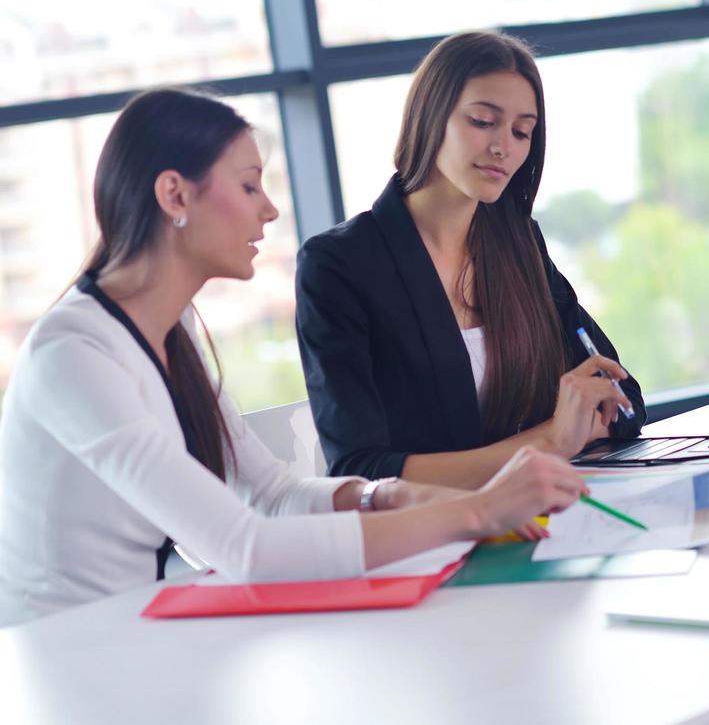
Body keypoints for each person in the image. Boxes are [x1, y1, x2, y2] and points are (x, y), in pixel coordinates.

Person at [0, 88, 589, 626]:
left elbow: (272, 496)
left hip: (134, 638)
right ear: (175, 194)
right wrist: (478, 511)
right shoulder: (73, 354)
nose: (270, 211)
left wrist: (383, 496)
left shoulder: (167, 330)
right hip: (66, 658)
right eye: (250, 185)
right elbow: (247, 548)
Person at [296, 31, 646, 490]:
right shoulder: (340, 266)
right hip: (434, 536)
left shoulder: (517, 243)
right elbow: (360, 473)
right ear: (431, 115)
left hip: (550, 513)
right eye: (483, 121)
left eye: (522, 131)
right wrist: (550, 442)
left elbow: (624, 400)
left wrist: (580, 425)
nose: (504, 146)